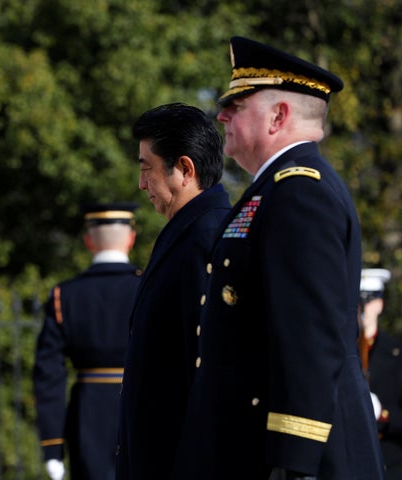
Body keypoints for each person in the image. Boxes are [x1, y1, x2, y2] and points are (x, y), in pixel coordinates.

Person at [172, 36, 386, 479]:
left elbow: (309, 340)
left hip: (301, 455)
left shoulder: (299, 194)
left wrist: (294, 461)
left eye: (237, 103)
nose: (221, 114)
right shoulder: (274, 190)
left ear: (278, 116)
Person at [115, 103, 231, 479]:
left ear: (184, 169)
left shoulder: (207, 236)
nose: (141, 182)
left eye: (147, 167)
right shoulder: (187, 232)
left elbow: (206, 368)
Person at [33, 202, 142, 480]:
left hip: (87, 413)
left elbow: (49, 376)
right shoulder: (149, 286)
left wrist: (52, 446)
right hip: (141, 405)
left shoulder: (65, 294)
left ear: (88, 241)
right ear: (131, 238)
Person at [359, 268, 402, 478]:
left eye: (368, 300)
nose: (362, 308)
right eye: (358, 301)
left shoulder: (397, 353)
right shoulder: (342, 351)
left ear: (379, 304)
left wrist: (383, 414)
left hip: (390, 463)